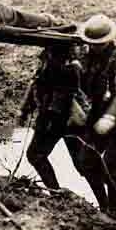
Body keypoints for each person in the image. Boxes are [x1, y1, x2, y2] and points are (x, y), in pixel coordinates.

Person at [71, 14, 116, 218]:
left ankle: (113, 211)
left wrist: (110, 118)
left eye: (99, 44)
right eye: (91, 44)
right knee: (85, 163)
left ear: (108, 40)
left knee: (112, 164)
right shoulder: (87, 53)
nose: (94, 47)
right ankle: (106, 203)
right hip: (97, 113)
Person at [17, 43, 87, 190]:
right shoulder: (49, 66)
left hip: (65, 119)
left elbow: (60, 100)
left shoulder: (69, 69)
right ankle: (55, 192)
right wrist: (25, 110)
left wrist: (38, 118)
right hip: (60, 119)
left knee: (83, 165)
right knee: (37, 155)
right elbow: (36, 85)